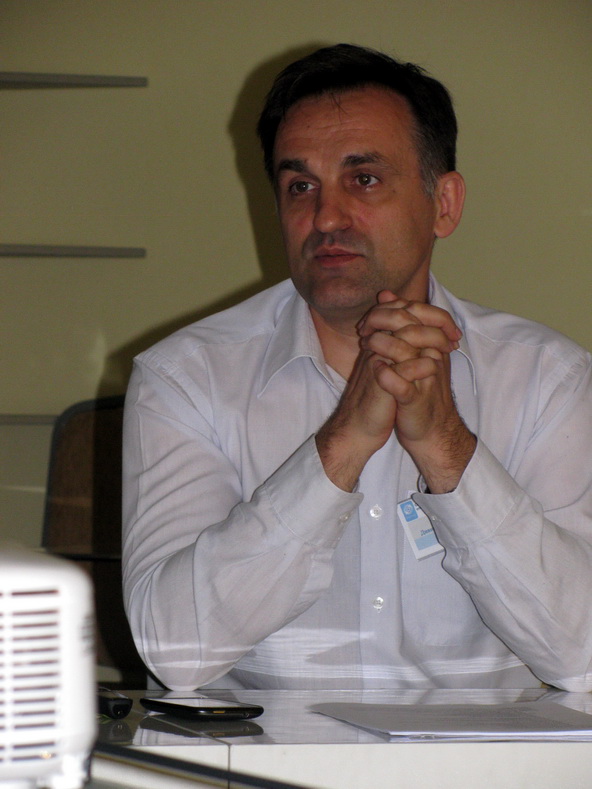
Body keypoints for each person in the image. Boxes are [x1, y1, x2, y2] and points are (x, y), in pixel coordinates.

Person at [122, 44, 592, 692]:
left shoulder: (547, 379)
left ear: (444, 203)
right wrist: (340, 447)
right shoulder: (187, 378)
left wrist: (446, 447)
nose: (325, 216)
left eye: (363, 179)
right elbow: (174, 653)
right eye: (300, 186)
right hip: (267, 751)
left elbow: (583, 654)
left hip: (479, 751)